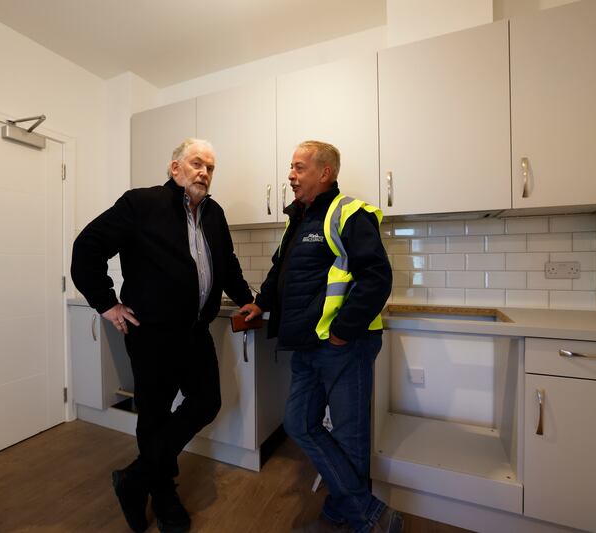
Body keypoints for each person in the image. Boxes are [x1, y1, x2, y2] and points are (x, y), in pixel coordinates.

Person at [71, 138, 254, 533]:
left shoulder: (214, 214)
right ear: (175, 169)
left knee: (206, 402)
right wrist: (106, 303)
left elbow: (227, 266)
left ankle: (135, 478)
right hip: (152, 333)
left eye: (210, 167)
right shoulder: (141, 204)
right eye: (196, 164)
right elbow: (87, 247)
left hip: (195, 330)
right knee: (154, 415)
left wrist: (248, 300)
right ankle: (163, 490)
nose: (204, 172)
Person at [240, 141, 401, 533]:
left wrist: (344, 333)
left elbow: (377, 277)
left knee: (348, 435)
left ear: (324, 172)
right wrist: (260, 303)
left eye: (298, 168)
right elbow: (281, 272)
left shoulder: (348, 213)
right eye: (290, 169)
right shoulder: (298, 221)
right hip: (309, 344)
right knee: (298, 423)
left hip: (345, 345)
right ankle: (365, 513)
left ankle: (341, 516)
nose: (290, 176)